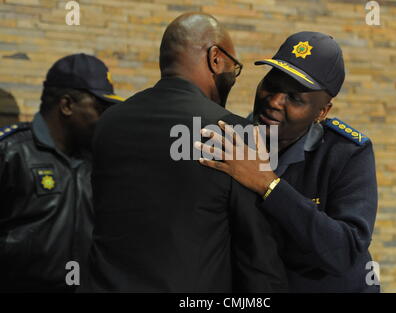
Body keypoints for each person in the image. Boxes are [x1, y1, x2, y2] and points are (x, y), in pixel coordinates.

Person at [83, 13, 287, 292]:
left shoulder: (109, 122)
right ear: (215, 58)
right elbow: (257, 258)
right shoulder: (234, 134)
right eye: (233, 67)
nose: (233, 77)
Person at [196, 32, 380, 292]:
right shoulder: (232, 141)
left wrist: (268, 184)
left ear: (322, 112)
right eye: (271, 85)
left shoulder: (346, 153)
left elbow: (345, 251)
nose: (273, 102)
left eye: (294, 98)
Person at [0, 53, 123, 292]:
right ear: (67, 105)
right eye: (99, 108)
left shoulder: (100, 160)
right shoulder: (11, 152)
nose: (105, 119)